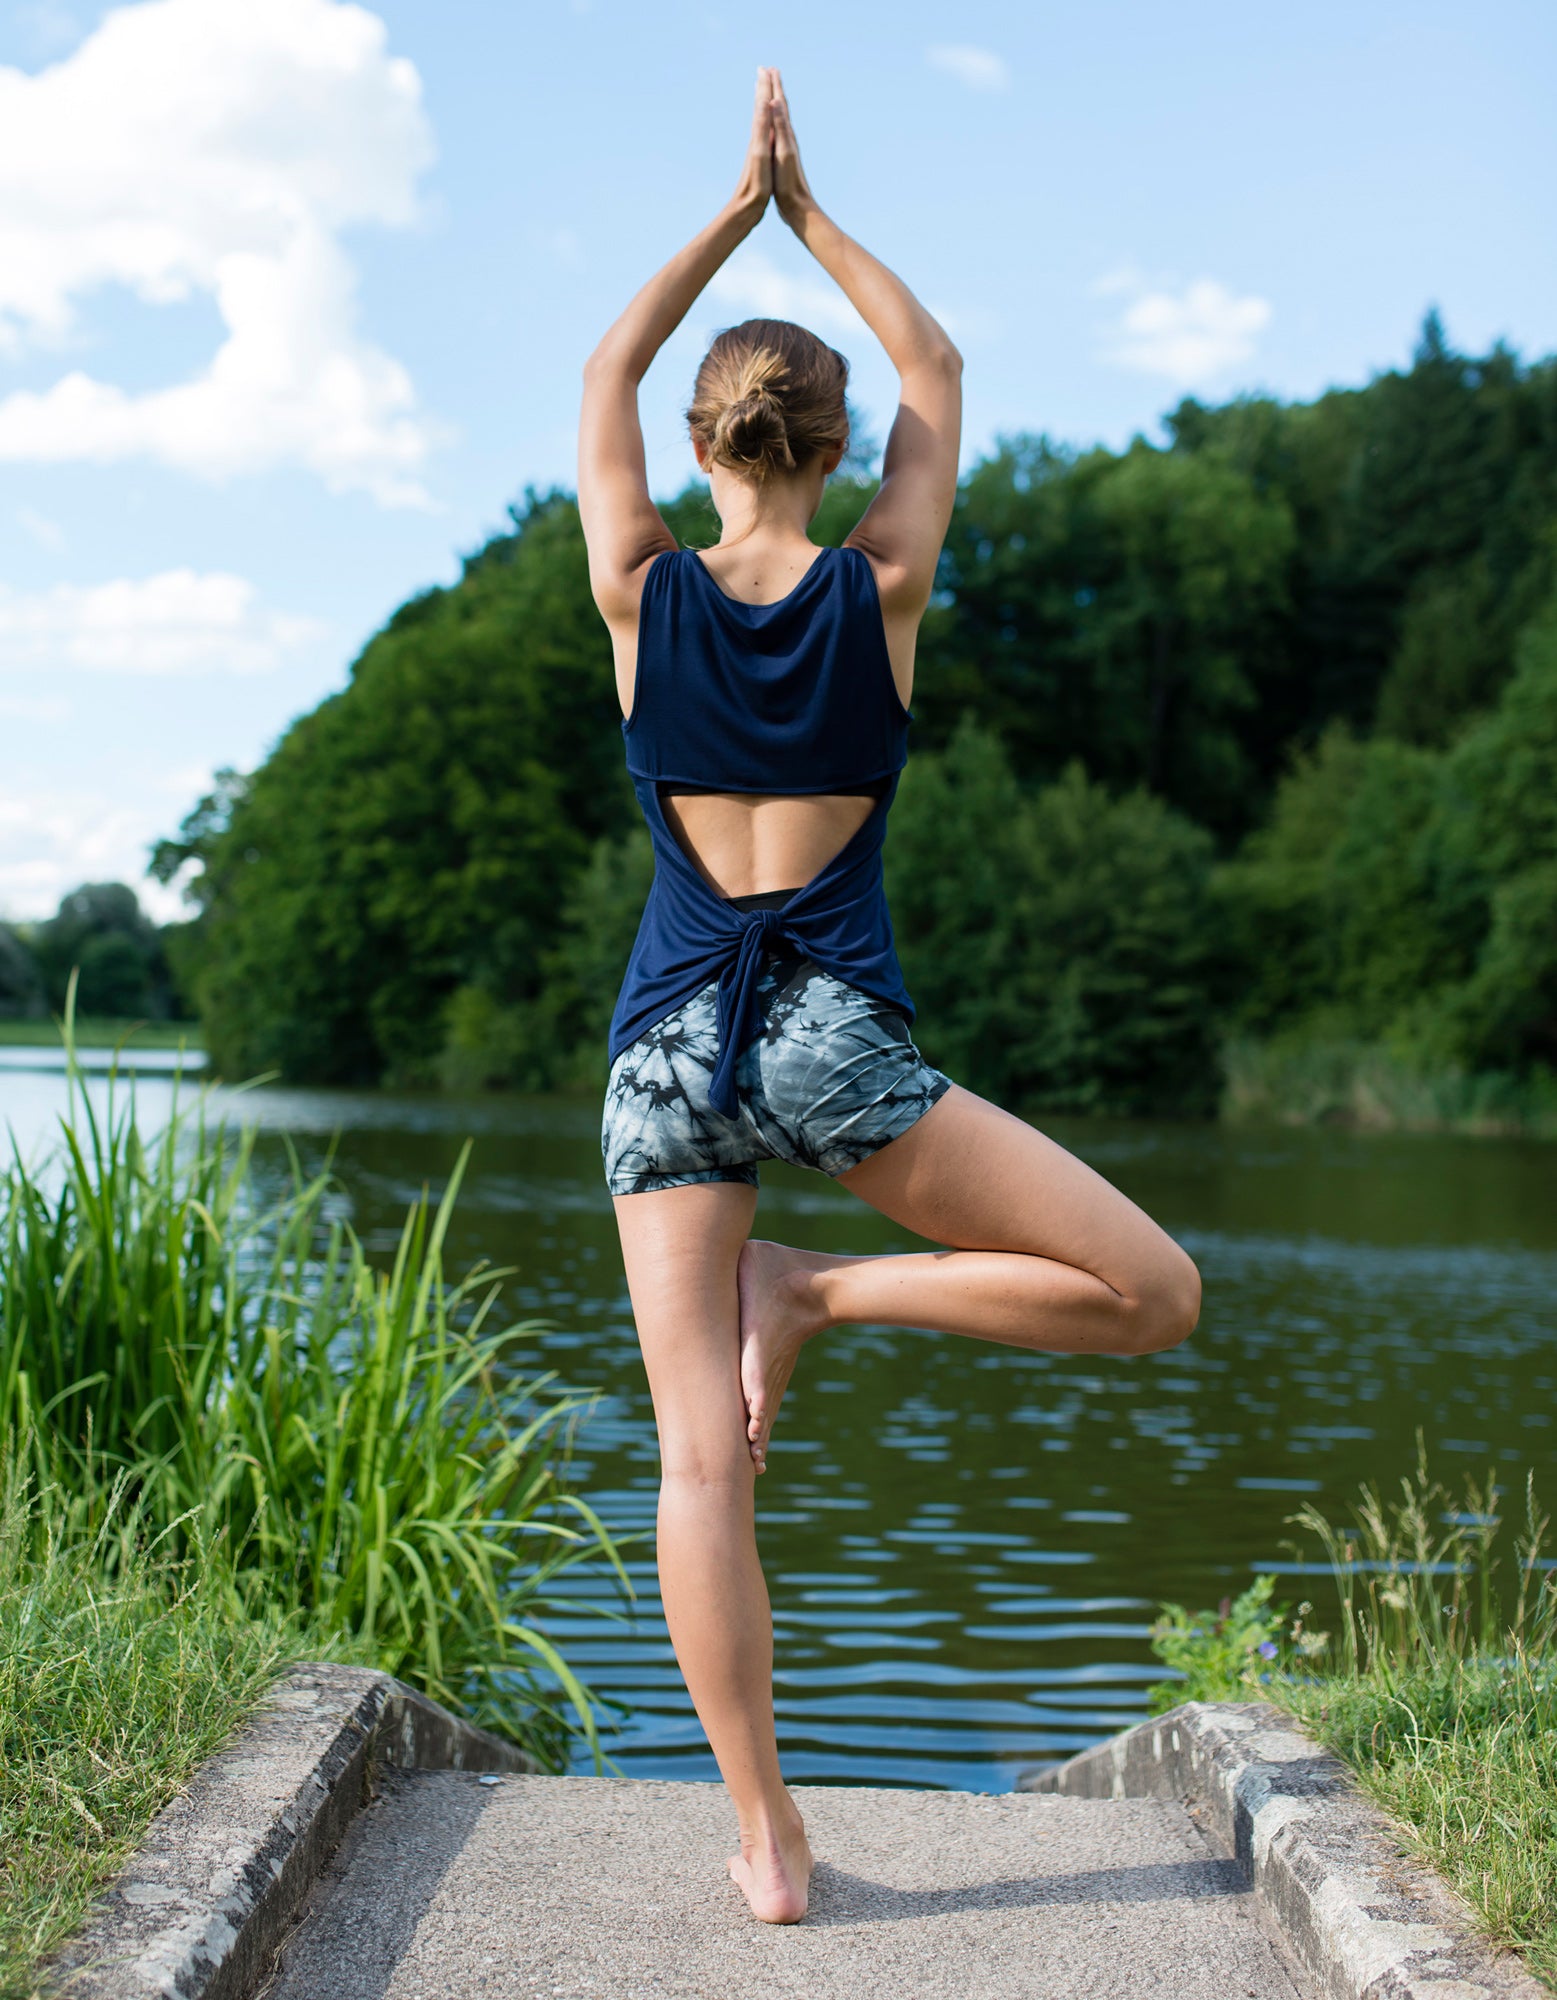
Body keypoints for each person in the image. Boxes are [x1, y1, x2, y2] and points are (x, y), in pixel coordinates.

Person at [578, 67, 1201, 1926]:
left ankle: (763, 1840)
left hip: (667, 1046)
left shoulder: (634, 590)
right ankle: (829, 1287)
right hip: (834, 1040)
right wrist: (809, 212)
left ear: (705, 442)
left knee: (699, 1457)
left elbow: (601, 374)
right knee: (1150, 1295)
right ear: (832, 446)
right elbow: (935, 365)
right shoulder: (887, 582)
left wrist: (720, 214)